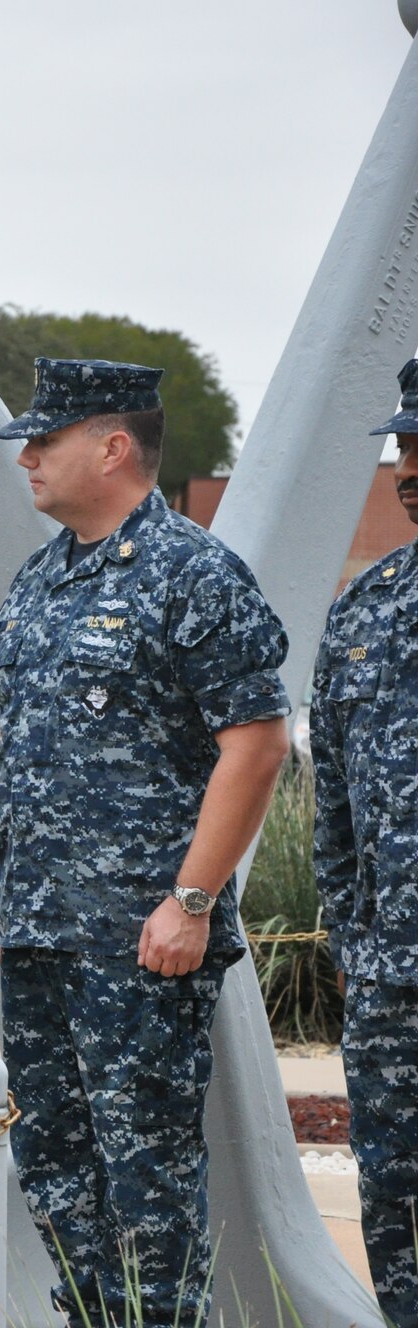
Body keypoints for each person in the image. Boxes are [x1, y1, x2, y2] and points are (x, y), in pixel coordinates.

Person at [0, 358, 291, 1327]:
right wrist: (5, 888)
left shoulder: (190, 571)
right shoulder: (38, 579)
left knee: (144, 1185)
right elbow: (23, 744)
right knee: (57, 1172)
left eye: (45, 438)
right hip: (39, 934)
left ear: (112, 445)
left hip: (138, 943)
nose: (25, 455)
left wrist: (191, 899)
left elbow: (256, 741)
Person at [310, 356, 418, 1328]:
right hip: (392, 973)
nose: (408, 461)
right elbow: (333, 802)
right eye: (402, 443)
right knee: (389, 1185)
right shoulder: (364, 609)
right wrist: (350, 935)